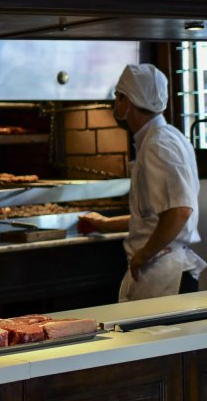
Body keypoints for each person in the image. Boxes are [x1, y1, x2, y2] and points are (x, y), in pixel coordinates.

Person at [79, 64, 206, 302]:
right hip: (160, 271)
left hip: (165, 274)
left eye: (118, 98)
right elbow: (156, 216)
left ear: (130, 101)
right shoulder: (164, 138)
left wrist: (143, 255)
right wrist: (105, 224)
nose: (116, 105)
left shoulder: (158, 145)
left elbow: (179, 211)